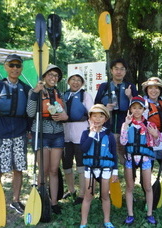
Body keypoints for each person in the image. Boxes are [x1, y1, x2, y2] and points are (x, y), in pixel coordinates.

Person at [27, 64, 68, 214]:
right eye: (50, 75)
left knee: (53, 170)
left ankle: (54, 202)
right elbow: (30, 113)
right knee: (43, 171)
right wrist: (35, 93)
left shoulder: (60, 93)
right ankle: (41, 200)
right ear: (44, 76)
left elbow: (66, 115)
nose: (53, 78)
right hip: (41, 133)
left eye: (56, 76)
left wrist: (64, 116)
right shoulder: (35, 91)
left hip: (57, 134)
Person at [0, 54, 31, 214]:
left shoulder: (26, 88)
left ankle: (15, 200)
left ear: (21, 68)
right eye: (12, 65)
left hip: (20, 132)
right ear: (6, 67)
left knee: (18, 168)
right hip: (1, 132)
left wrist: (29, 130)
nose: (15, 68)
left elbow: (30, 112)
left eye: (18, 65)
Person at [120, 96, 161, 225]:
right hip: (130, 158)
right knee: (130, 187)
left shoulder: (149, 125)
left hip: (145, 159)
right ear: (130, 109)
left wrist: (155, 135)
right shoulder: (127, 123)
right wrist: (126, 125)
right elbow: (123, 141)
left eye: (139, 108)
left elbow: (157, 142)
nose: (137, 110)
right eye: (134, 108)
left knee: (147, 186)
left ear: (144, 109)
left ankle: (149, 213)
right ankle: (130, 214)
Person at [80, 104, 118, 228]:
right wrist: (91, 134)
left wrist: (115, 171)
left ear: (105, 119)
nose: (97, 119)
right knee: (88, 195)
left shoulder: (109, 135)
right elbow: (84, 149)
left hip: (105, 169)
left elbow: (114, 153)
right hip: (90, 169)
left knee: (105, 196)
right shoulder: (86, 134)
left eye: (101, 116)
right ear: (89, 118)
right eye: (94, 116)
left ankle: (107, 220)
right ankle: (83, 222)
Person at [94, 58, 138, 165]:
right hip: (108, 124)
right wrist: (105, 107)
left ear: (125, 71)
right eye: (116, 69)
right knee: (107, 155)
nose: (119, 72)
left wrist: (130, 96)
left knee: (126, 156)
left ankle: (130, 177)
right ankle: (108, 179)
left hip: (125, 125)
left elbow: (138, 106)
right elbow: (96, 105)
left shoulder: (130, 86)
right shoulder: (104, 86)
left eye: (122, 69)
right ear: (111, 70)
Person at [62, 69, 94, 205]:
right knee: (67, 163)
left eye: (78, 80)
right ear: (68, 81)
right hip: (65, 133)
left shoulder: (85, 95)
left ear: (82, 83)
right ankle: (71, 190)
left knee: (81, 163)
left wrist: (92, 132)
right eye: (73, 79)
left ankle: (82, 193)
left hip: (80, 132)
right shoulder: (63, 95)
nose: (75, 82)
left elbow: (92, 113)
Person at [142, 77, 162, 190]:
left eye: (156, 88)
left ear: (160, 90)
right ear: (147, 90)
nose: (153, 90)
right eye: (150, 88)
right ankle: (148, 196)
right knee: (146, 173)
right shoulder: (143, 103)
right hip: (148, 142)